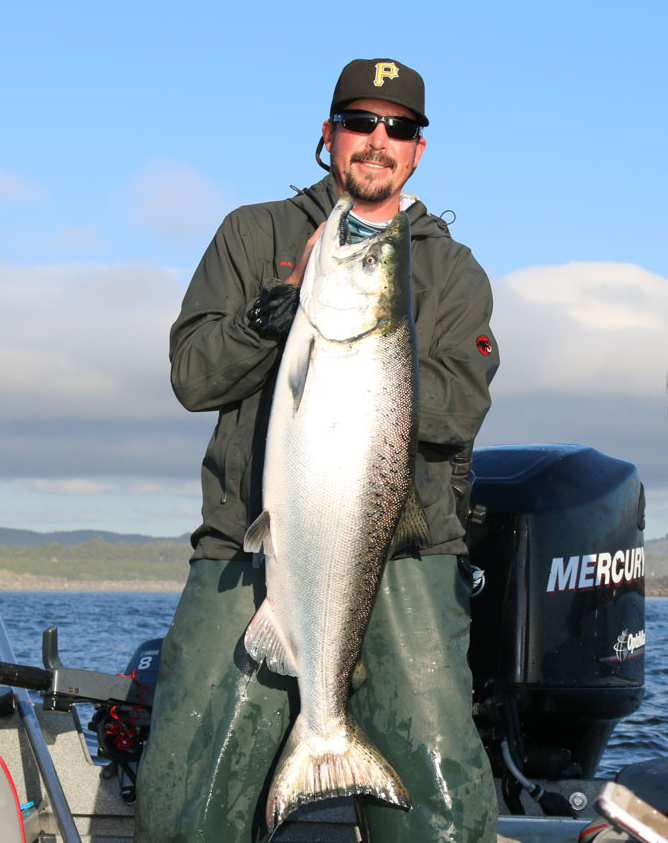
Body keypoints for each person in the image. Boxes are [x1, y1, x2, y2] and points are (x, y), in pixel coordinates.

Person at [134, 57, 500, 842]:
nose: (378, 140)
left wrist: (373, 366)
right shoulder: (252, 232)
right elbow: (192, 375)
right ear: (329, 133)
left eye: (398, 128)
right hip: (248, 541)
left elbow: (463, 401)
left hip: (407, 549)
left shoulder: (452, 269)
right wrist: (262, 325)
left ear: (418, 150)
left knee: (439, 800)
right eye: (361, 122)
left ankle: (333, 740)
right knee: (194, 789)